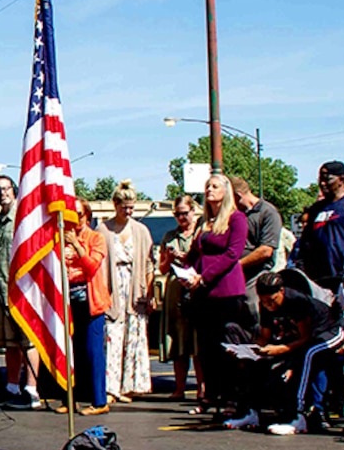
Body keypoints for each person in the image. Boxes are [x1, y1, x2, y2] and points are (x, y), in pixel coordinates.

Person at [224, 270, 344, 436]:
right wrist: (250, 350)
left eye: (273, 300)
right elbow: (265, 337)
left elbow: (306, 338)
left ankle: (300, 415)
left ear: (281, 291)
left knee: (310, 354)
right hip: (299, 338)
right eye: (265, 301)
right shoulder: (265, 305)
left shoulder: (297, 302)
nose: (270, 305)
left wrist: (280, 349)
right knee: (256, 363)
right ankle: (250, 412)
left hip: (331, 331)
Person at [182, 174, 249, 413]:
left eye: (215, 186)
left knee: (227, 347)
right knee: (207, 348)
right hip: (203, 294)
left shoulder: (237, 218)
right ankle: (211, 395)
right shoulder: (205, 223)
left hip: (227, 292)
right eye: (207, 186)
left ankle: (232, 398)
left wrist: (205, 276)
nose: (209, 189)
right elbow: (194, 254)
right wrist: (181, 264)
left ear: (226, 191)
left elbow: (233, 254)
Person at [0, 175, 41, 410]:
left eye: (6, 189)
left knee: (27, 341)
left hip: (21, 290)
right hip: (0, 289)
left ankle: (31, 389)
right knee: (9, 342)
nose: (2, 194)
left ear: (14, 190)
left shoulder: (22, 217)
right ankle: (11, 386)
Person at [101, 181, 154, 401]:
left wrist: (149, 294)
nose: (129, 211)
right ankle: (111, 387)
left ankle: (130, 386)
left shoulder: (140, 230)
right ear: (115, 205)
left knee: (134, 337)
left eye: (132, 207)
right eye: (125, 207)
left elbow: (149, 264)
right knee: (112, 336)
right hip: (113, 287)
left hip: (135, 287)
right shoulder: (103, 229)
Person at [61, 197, 110, 415]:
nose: (76, 219)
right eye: (72, 215)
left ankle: (99, 401)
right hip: (68, 299)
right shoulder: (62, 238)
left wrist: (77, 246)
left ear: (87, 216)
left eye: (79, 215)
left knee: (93, 351)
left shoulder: (96, 238)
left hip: (91, 300)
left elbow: (91, 267)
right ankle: (71, 398)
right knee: (73, 352)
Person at [158, 194, 204, 404]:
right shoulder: (170, 236)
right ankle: (179, 388)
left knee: (198, 342)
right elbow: (162, 268)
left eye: (184, 213)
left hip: (197, 289)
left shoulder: (202, 233)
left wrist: (185, 257)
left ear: (193, 212)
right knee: (178, 341)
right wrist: (169, 257)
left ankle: (202, 388)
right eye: (177, 214)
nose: (181, 218)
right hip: (176, 290)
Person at [299, 161, 344, 291]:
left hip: (343, 278)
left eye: (327, 179)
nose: (322, 184)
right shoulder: (317, 209)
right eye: (320, 179)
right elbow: (305, 242)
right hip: (318, 280)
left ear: (341, 179)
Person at [232, 175, 284, 322]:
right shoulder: (236, 215)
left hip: (255, 277)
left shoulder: (267, 212)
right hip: (234, 278)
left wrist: (237, 265)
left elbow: (266, 250)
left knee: (253, 314)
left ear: (237, 195)